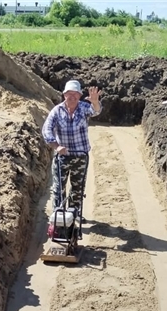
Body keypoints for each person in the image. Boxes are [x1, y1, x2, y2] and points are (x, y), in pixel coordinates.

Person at [42, 80, 102, 219]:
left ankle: (74, 213)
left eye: (76, 94)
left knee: (77, 188)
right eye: (70, 94)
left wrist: (95, 102)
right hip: (62, 156)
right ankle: (58, 214)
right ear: (64, 95)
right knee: (58, 188)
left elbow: (96, 111)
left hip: (80, 156)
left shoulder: (84, 108)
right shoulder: (57, 111)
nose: (73, 97)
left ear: (80, 96)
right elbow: (47, 129)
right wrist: (57, 146)